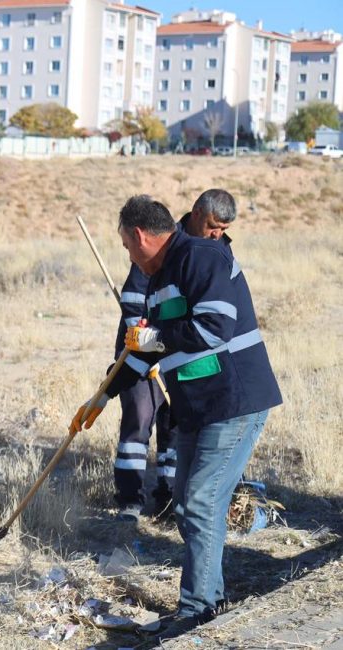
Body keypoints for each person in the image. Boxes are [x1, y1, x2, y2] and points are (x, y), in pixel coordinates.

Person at [71, 195, 282, 634]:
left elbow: (213, 327)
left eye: (128, 248)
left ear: (139, 236)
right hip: (197, 408)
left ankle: (197, 612)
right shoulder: (157, 279)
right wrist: (102, 396)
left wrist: (155, 339)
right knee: (189, 505)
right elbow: (141, 351)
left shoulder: (200, 256)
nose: (129, 257)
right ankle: (212, 599)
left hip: (232, 401)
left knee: (201, 503)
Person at [111, 189, 239, 522]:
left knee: (174, 427)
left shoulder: (213, 253)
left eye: (223, 230)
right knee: (139, 419)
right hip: (143, 353)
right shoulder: (159, 244)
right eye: (213, 226)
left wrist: (157, 340)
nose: (217, 235)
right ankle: (129, 499)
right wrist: (142, 347)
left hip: (184, 361)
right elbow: (137, 304)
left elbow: (214, 326)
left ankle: (167, 496)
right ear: (196, 213)